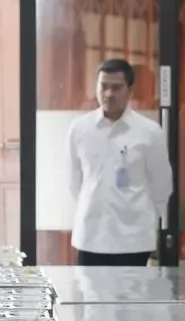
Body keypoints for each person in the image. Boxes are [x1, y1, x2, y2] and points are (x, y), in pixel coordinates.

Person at [67, 58, 173, 267]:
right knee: (90, 298)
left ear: (130, 90)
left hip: (133, 240)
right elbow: (75, 182)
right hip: (91, 236)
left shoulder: (149, 132)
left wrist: (143, 220)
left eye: (116, 87)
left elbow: (161, 186)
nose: (108, 94)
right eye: (103, 86)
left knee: (131, 299)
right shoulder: (79, 129)